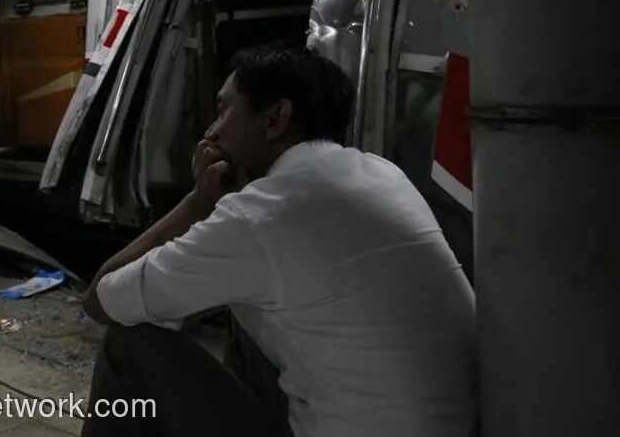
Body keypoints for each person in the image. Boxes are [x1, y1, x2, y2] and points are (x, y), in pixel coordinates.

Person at [82, 43, 476, 437]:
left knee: (128, 343)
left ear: (275, 119)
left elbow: (101, 299)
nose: (211, 132)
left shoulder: (262, 213)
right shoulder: (382, 173)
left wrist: (197, 202)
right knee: (248, 308)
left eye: (224, 111)